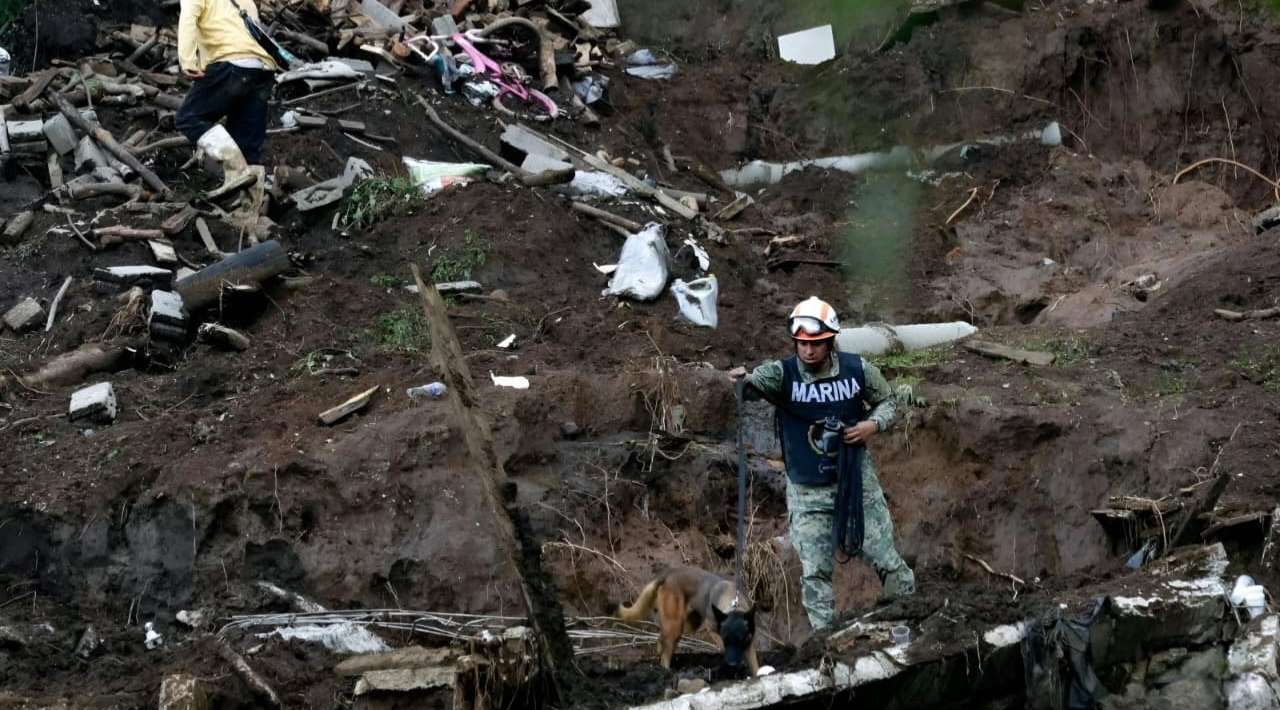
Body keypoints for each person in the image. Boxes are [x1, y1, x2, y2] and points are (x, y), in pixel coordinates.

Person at [729, 296, 915, 632]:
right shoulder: (781, 375)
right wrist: (740, 380)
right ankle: (826, 645)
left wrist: (872, 425)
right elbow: (749, 384)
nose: (808, 351)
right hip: (807, 492)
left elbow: (888, 401)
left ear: (830, 341)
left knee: (887, 561)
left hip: (856, 485)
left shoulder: (858, 371)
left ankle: (907, 622)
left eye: (815, 344)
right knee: (815, 572)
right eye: (802, 344)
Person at [176, 0, 278, 165]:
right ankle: (251, 184)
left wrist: (187, 62)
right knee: (246, 147)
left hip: (231, 63)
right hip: (262, 69)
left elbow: (188, 19)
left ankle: (233, 163)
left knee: (188, 118)